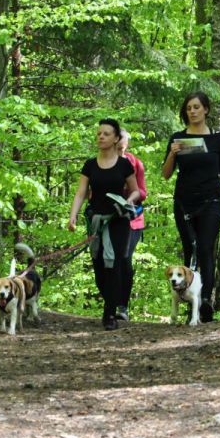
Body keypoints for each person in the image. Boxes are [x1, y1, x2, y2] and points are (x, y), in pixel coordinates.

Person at [162, 91, 220, 322]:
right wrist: (172, 154)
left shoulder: (217, 139)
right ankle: (190, 302)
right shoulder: (178, 138)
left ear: (206, 109)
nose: (192, 111)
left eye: (196, 107)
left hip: (211, 201)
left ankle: (205, 300)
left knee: (206, 248)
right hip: (184, 202)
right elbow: (166, 174)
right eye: (189, 108)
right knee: (190, 249)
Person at [69, 119, 140, 331]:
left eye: (106, 134)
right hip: (96, 221)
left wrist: (129, 201)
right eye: (99, 133)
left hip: (118, 221)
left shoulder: (124, 164)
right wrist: (73, 216)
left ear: (116, 138)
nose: (101, 136)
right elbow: (81, 192)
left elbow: (136, 190)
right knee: (99, 267)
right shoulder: (90, 165)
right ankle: (110, 301)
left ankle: (110, 313)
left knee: (115, 264)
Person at [116, 129, 147, 322]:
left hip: (132, 219)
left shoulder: (135, 163)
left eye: (123, 146)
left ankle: (122, 306)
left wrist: (129, 193)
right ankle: (110, 301)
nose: (120, 149)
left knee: (125, 258)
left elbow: (143, 192)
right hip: (108, 219)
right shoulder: (102, 163)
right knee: (106, 261)